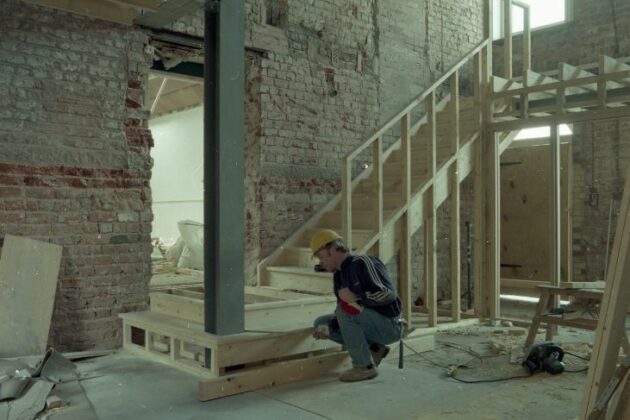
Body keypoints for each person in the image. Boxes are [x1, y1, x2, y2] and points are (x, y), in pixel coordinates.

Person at [310, 229, 403, 382]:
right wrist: (330, 328)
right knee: (321, 323)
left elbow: (389, 294)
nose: (321, 262)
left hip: (390, 325)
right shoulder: (339, 275)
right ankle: (375, 349)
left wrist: (358, 297)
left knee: (345, 310)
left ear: (332, 250)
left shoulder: (363, 263)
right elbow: (342, 310)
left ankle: (364, 367)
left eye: (321, 256)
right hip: (370, 323)